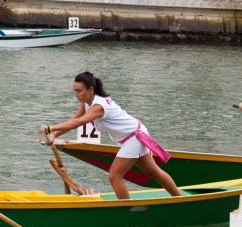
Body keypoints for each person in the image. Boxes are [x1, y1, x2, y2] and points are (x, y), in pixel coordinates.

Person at [39, 71, 181, 200]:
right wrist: (54, 135)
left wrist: (50, 128)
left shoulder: (98, 106)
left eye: (79, 91)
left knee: (114, 177)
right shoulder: (87, 103)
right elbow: (73, 120)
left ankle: (127, 210)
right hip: (132, 135)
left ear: (91, 90)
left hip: (134, 137)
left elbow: (77, 123)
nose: (76, 94)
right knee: (153, 172)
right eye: (74, 91)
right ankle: (179, 199)